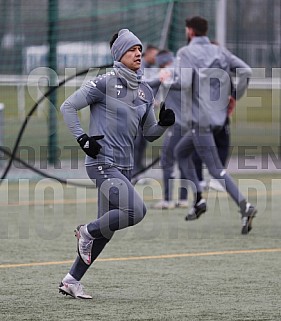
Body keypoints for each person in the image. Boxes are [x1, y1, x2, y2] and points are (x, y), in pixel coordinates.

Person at [59, 29, 175, 299]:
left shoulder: (145, 90)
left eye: (139, 49)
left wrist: (164, 125)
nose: (138, 54)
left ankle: (71, 280)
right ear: (118, 55)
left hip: (124, 167)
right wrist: (83, 140)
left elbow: (149, 134)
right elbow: (67, 107)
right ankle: (85, 230)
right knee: (136, 211)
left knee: (108, 229)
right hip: (102, 163)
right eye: (131, 49)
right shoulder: (103, 83)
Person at [172, 16, 257, 234]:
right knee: (181, 152)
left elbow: (183, 83)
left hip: (200, 122)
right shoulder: (220, 51)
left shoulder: (185, 53)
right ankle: (199, 198)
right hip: (218, 120)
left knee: (216, 169)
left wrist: (166, 78)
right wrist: (235, 96)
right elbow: (246, 71)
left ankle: (244, 206)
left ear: (190, 31)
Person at [149, 50, 189, 209]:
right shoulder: (183, 71)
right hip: (189, 123)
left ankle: (167, 199)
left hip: (177, 124)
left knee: (167, 159)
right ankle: (184, 199)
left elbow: (153, 81)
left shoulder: (168, 71)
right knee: (184, 160)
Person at [132, 44, 159, 182]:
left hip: (147, 113)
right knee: (136, 143)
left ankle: (139, 171)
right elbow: (142, 85)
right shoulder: (140, 67)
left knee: (142, 143)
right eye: (154, 54)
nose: (156, 57)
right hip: (137, 112)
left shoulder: (152, 68)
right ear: (147, 54)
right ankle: (133, 173)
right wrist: (160, 79)